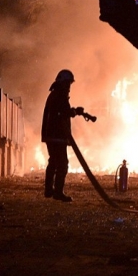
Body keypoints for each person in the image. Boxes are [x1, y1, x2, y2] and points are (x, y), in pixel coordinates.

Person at [41, 69, 85, 202]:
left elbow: (61, 112)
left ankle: (49, 190)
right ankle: (57, 192)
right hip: (56, 136)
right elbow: (63, 113)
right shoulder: (59, 95)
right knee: (62, 164)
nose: (69, 87)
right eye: (68, 83)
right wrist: (75, 111)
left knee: (53, 162)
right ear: (63, 82)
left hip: (53, 135)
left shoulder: (55, 94)